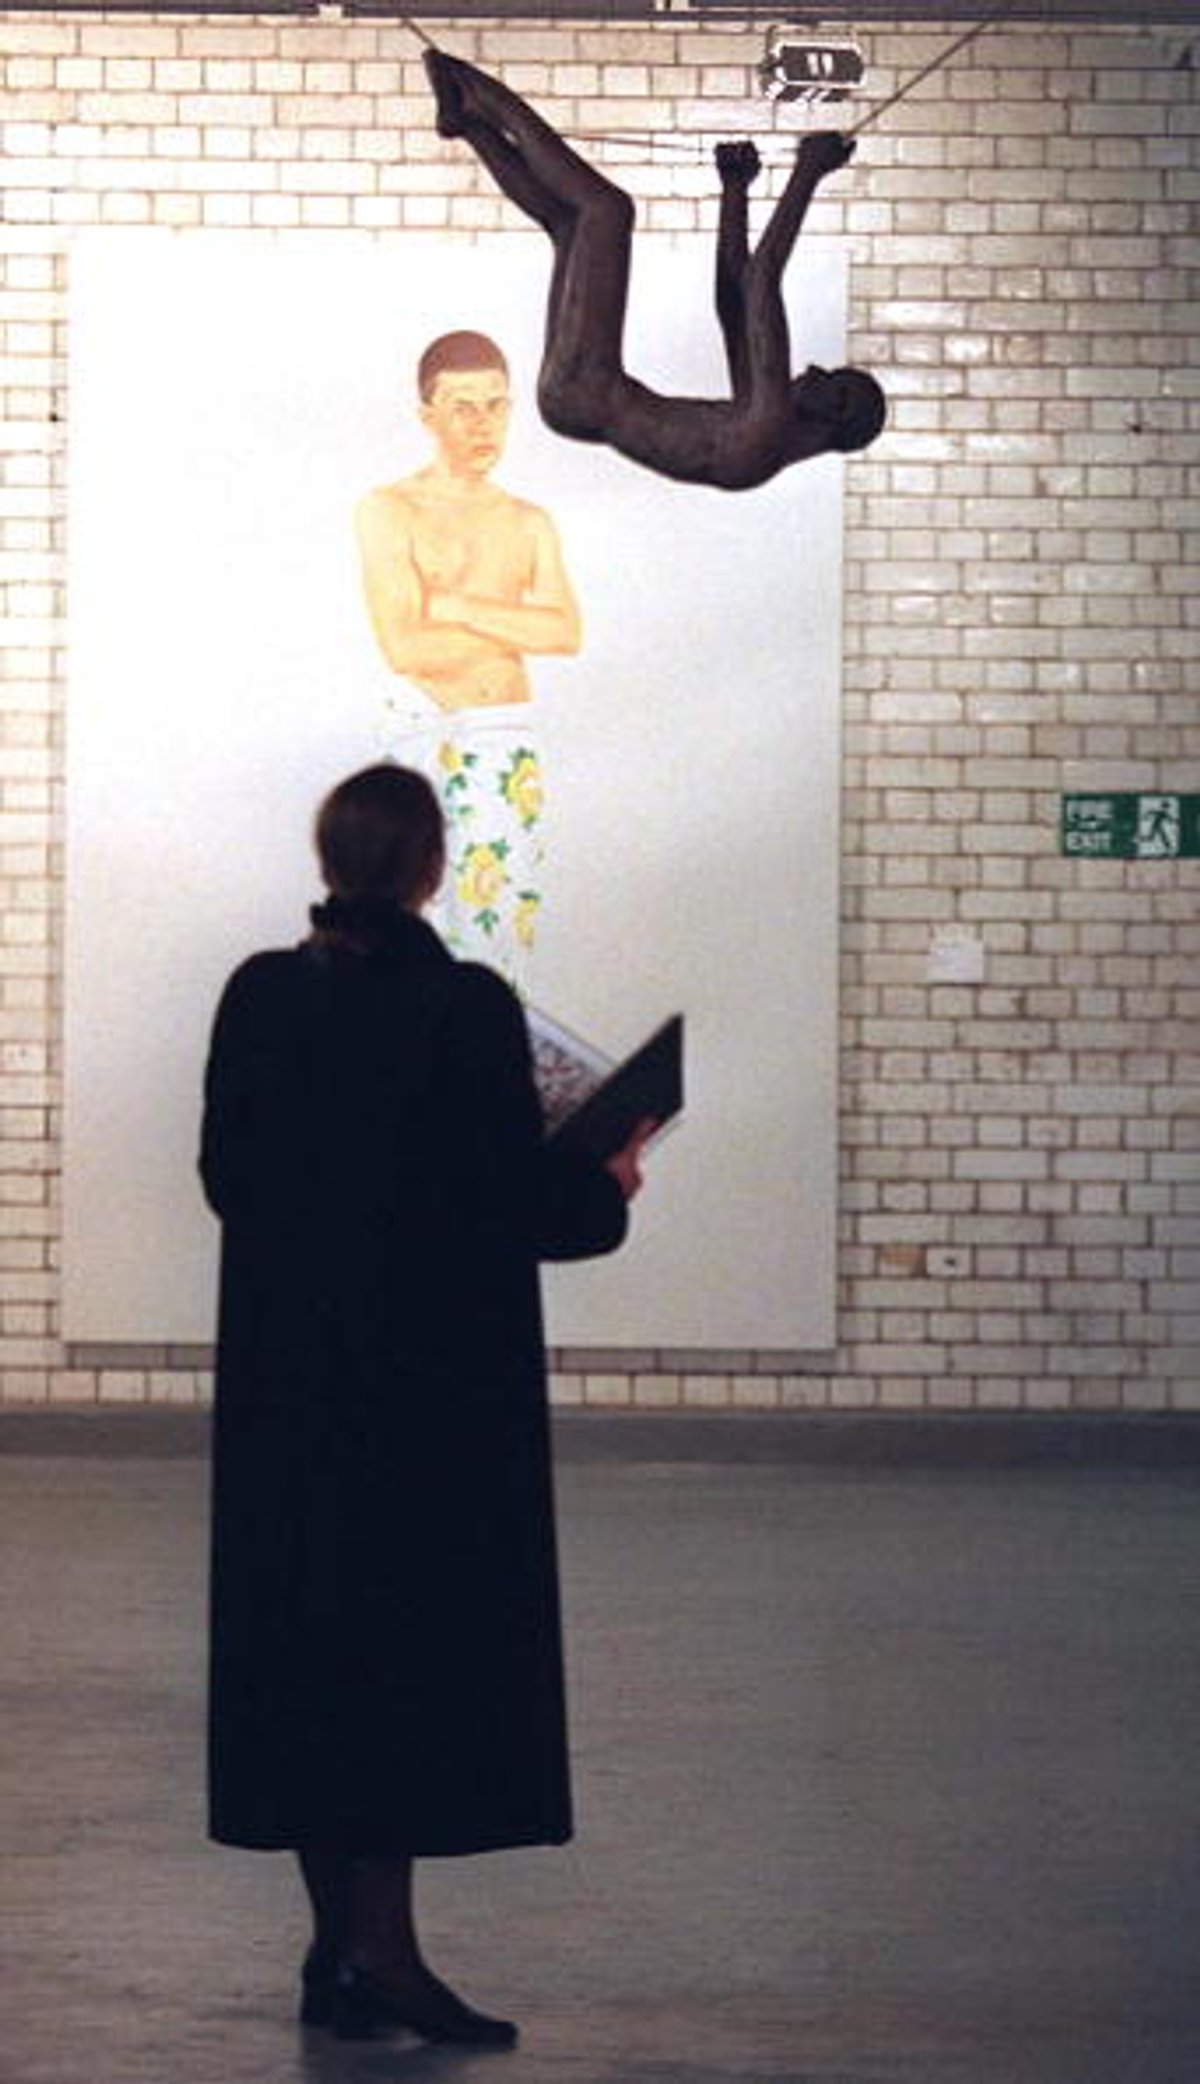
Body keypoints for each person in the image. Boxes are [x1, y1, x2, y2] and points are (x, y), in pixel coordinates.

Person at [200, 762, 654, 2047]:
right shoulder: (461, 1007)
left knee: (304, 1652)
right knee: (393, 1659)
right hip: (421, 1398)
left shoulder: (260, 993)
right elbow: (525, 1206)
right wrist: (609, 1176)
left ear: (330, 856)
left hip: (293, 1389)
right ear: (430, 868)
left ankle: (336, 1950)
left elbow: (229, 1175)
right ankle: (381, 1961)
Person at [424, 50, 886, 491]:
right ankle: (469, 125)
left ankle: (474, 90)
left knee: (606, 211)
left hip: (586, 387)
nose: (815, 371)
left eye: (835, 382)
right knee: (568, 225)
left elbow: (762, 281)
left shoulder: (766, 433)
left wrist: (808, 173)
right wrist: (734, 191)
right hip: (577, 393)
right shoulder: (762, 428)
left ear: (839, 413)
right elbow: (734, 306)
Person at [356, 331, 582, 990]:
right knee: (404, 927)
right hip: (424, 732)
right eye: (464, 407)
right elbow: (404, 645)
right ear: (428, 416)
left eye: (496, 405)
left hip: (503, 742)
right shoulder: (388, 510)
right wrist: (514, 630)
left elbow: (565, 631)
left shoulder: (528, 521)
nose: (484, 425)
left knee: (500, 936)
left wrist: (456, 606)